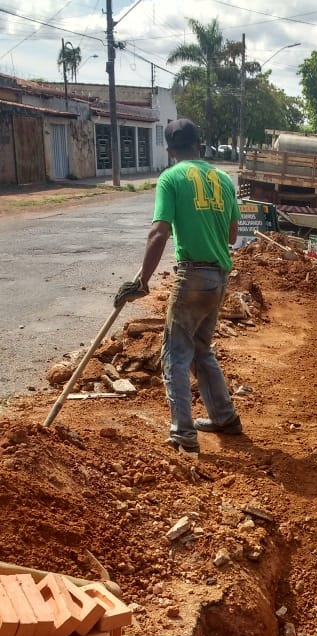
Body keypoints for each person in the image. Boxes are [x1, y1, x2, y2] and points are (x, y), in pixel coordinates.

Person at [114, 118, 242, 454]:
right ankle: (225, 418)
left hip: (192, 277)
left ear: (170, 150)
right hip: (218, 277)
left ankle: (183, 433)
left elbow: (159, 232)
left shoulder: (171, 178)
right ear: (200, 145)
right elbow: (231, 236)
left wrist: (141, 280)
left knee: (175, 354)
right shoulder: (224, 179)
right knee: (201, 349)